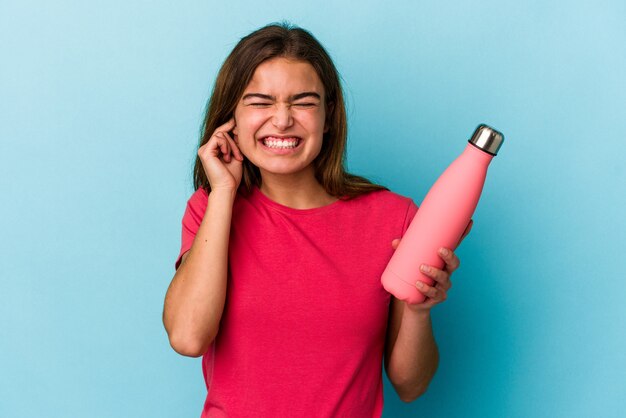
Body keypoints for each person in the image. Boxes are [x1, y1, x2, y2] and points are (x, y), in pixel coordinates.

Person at [162, 22, 472, 417]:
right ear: (231, 120)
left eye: (303, 102)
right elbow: (188, 337)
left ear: (329, 116)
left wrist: (418, 309)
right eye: (260, 102)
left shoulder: (393, 219)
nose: (282, 120)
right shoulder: (210, 210)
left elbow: (410, 386)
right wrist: (222, 191)